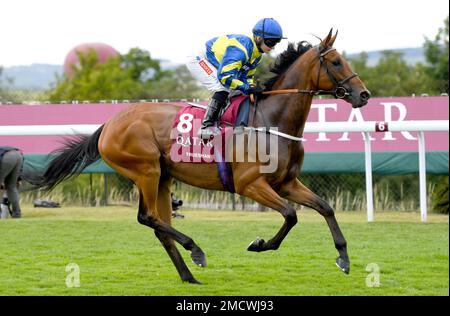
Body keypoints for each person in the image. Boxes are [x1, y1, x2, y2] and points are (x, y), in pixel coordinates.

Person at [186, 18, 286, 139]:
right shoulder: (241, 49)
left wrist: (252, 87)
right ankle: (206, 127)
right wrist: (248, 87)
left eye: (276, 43)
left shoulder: (257, 56)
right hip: (200, 59)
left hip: (217, 64)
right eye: (271, 42)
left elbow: (246, 77)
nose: (273, 47)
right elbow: (225, 77)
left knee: (238, 91)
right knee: (221, 88)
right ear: (258, 38)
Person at [0, 147, 24, 219]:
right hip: (18, 155)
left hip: (6, 158)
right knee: (11, 187)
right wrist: (18, 179)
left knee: (10, 187)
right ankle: (17, 214)